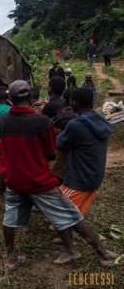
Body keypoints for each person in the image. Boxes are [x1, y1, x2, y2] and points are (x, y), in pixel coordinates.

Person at [0, 80, 122, 269]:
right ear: (31, 97)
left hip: (14, 179)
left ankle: (10, 258)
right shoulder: (42, 122)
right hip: (39, 181)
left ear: (10, 98)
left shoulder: (3, 120)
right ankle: (103, 253)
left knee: (9, 218)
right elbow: (50, 154)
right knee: (70, 213)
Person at [57, 88, 113, 216]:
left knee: (59, 212)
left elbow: (60, 143)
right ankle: (71, 234)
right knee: (75, 214)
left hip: (79, 179)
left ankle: (86, 237)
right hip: (95, 176)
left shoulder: (76, 125)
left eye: (71, 101)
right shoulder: (100, 119)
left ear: (74, 103)